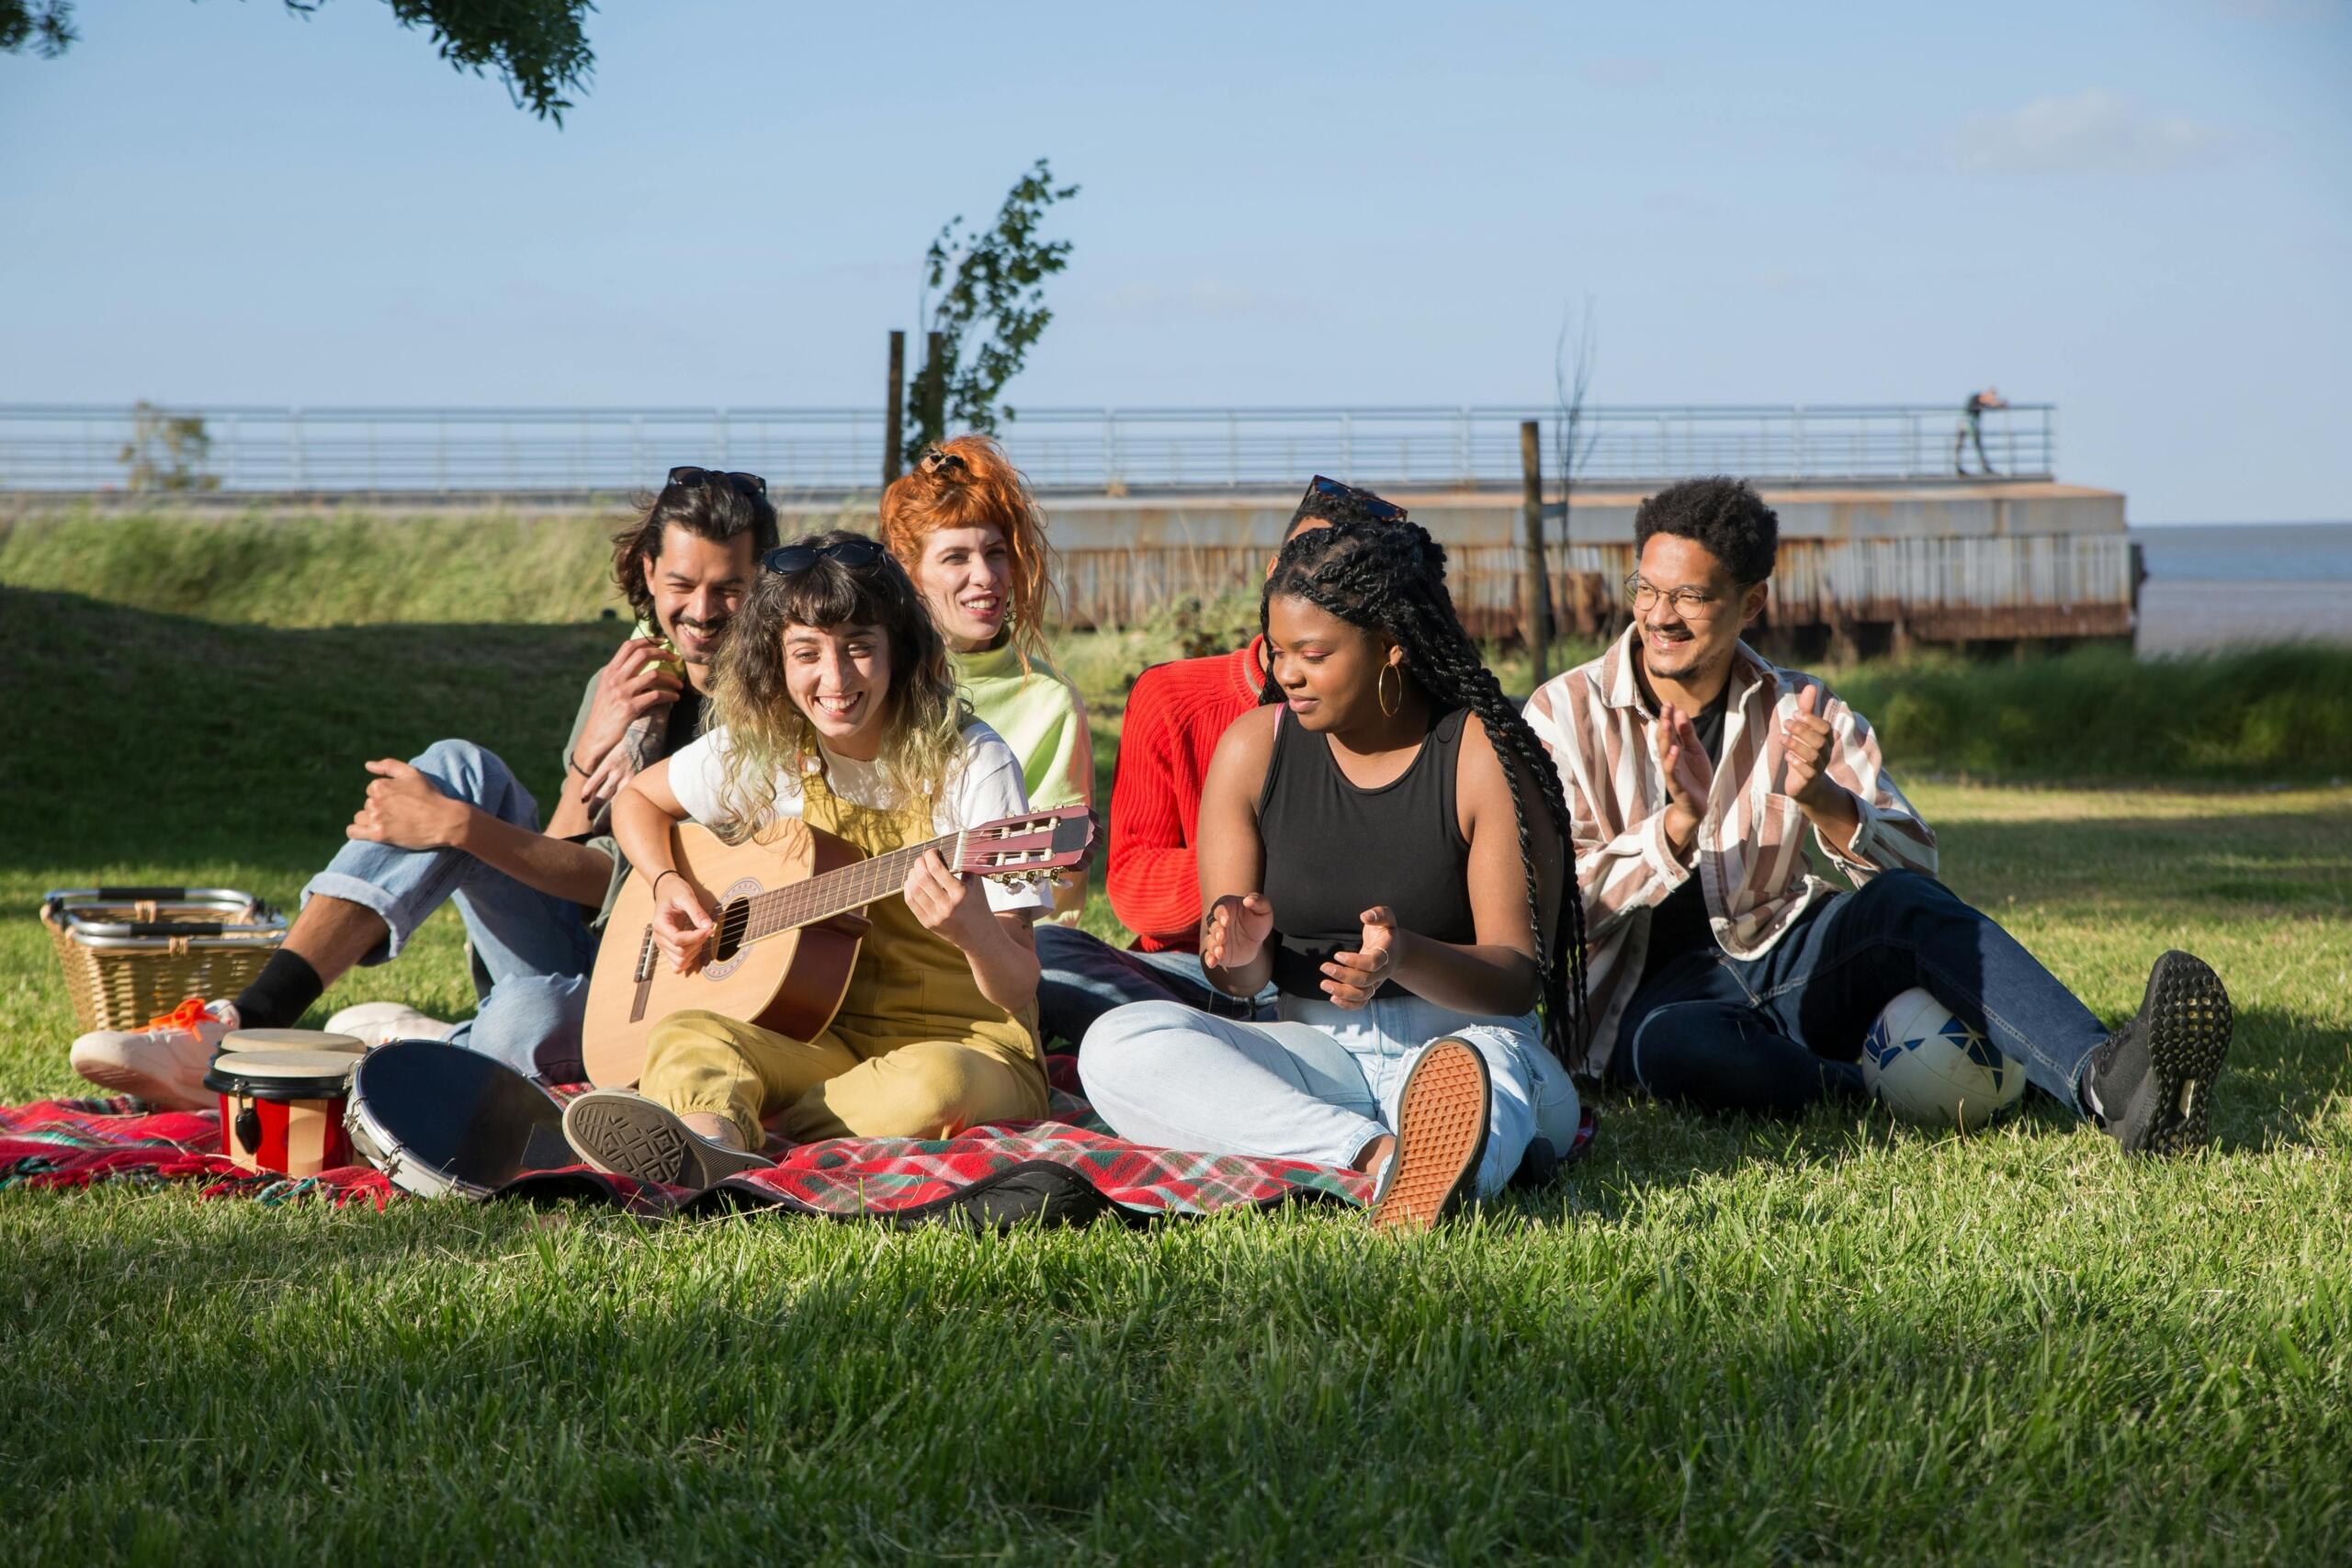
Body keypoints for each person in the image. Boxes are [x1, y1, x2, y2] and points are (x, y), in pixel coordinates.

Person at [1524, 476, 2234, 1153]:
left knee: (1905, 909)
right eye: (1645, 588)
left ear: (1751, 603)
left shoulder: (1800, 707)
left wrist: (1824, 801)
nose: (1657, 614)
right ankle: (1880, 1083)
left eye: (1688, 595)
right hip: (1647, 1009)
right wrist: (1675, 828)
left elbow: (1920, 871)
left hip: (1784, 953)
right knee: (1686, 1049)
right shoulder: (1561, 715)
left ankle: (2105, 1081)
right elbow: (1551, 916)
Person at [65, 468, 778, 1106]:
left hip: (665, 979)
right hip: (580, 948)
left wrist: (458, 827)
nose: (703, 611)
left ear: (764, 584)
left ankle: (385, 1058)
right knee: (459, 764)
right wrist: (591, 757)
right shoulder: (623, 686)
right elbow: (564, 850)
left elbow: (620, 886)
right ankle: (242, 1024)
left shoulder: (773, 708)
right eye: (683, 584)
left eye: (729, 588)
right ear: (650, 572)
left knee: (525, 1018)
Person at [1078, 518, 1589, 1233]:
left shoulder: (1478, 753)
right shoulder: (1253, 750)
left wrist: (1405, 956)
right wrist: (1240, 951)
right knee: (1117, 1045)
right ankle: (1381, 1159)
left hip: (1467, 1041)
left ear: (1391, 645)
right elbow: (1240, 985)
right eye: (1280, 651)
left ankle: (1447, 1155)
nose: (1286, 672)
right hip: (1322, 1059)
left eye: (1313, 654)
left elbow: (1514, 980)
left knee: (1488, 1073)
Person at [557, 530, 1052, 1189]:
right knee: (686, 1033)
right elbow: (637, 803)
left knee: (936, 1087)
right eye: (806, 654)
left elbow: (1018, 984)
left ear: (899, 652)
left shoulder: (972, 761)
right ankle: (714, 1144)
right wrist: (668, 881)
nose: (835, 679)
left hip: (972, 1043)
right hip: (827, 1037)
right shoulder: (769, 746)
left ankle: (743, 1122)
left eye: (858, 648)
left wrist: (974, 930)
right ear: (776, 662)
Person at [1032, 475, 1408, 1049]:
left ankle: (1218, 1053)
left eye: (1345, 579)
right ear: (1272, 572)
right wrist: (1258, 873)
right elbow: (1132, 889)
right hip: (1193, 978)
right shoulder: (1174, 696)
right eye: (1301, 568)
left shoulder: (1410, 716)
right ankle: (1236, 1047)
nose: (1317, 592)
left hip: (1346, 982)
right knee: (1051, 955)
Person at [880, 435, 1092, 924]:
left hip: (1016, 947)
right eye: (956, 558)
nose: (986, 576)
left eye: (995, 553)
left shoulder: (1047, 702)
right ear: (908, 574)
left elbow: (1054, 886)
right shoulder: (867, 685)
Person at [1954, 386, 2008, 476]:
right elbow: (1987, 401)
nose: (1993, 398)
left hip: (1967, 423)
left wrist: (2000, 404)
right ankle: (1959, 467)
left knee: (1972, 445)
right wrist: (1997, 403)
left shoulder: (1982, 400)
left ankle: (1984, 467)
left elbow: (1992, 405)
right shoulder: (1977, 397)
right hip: (1966, 423)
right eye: (1992, 395)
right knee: (1961, 446)